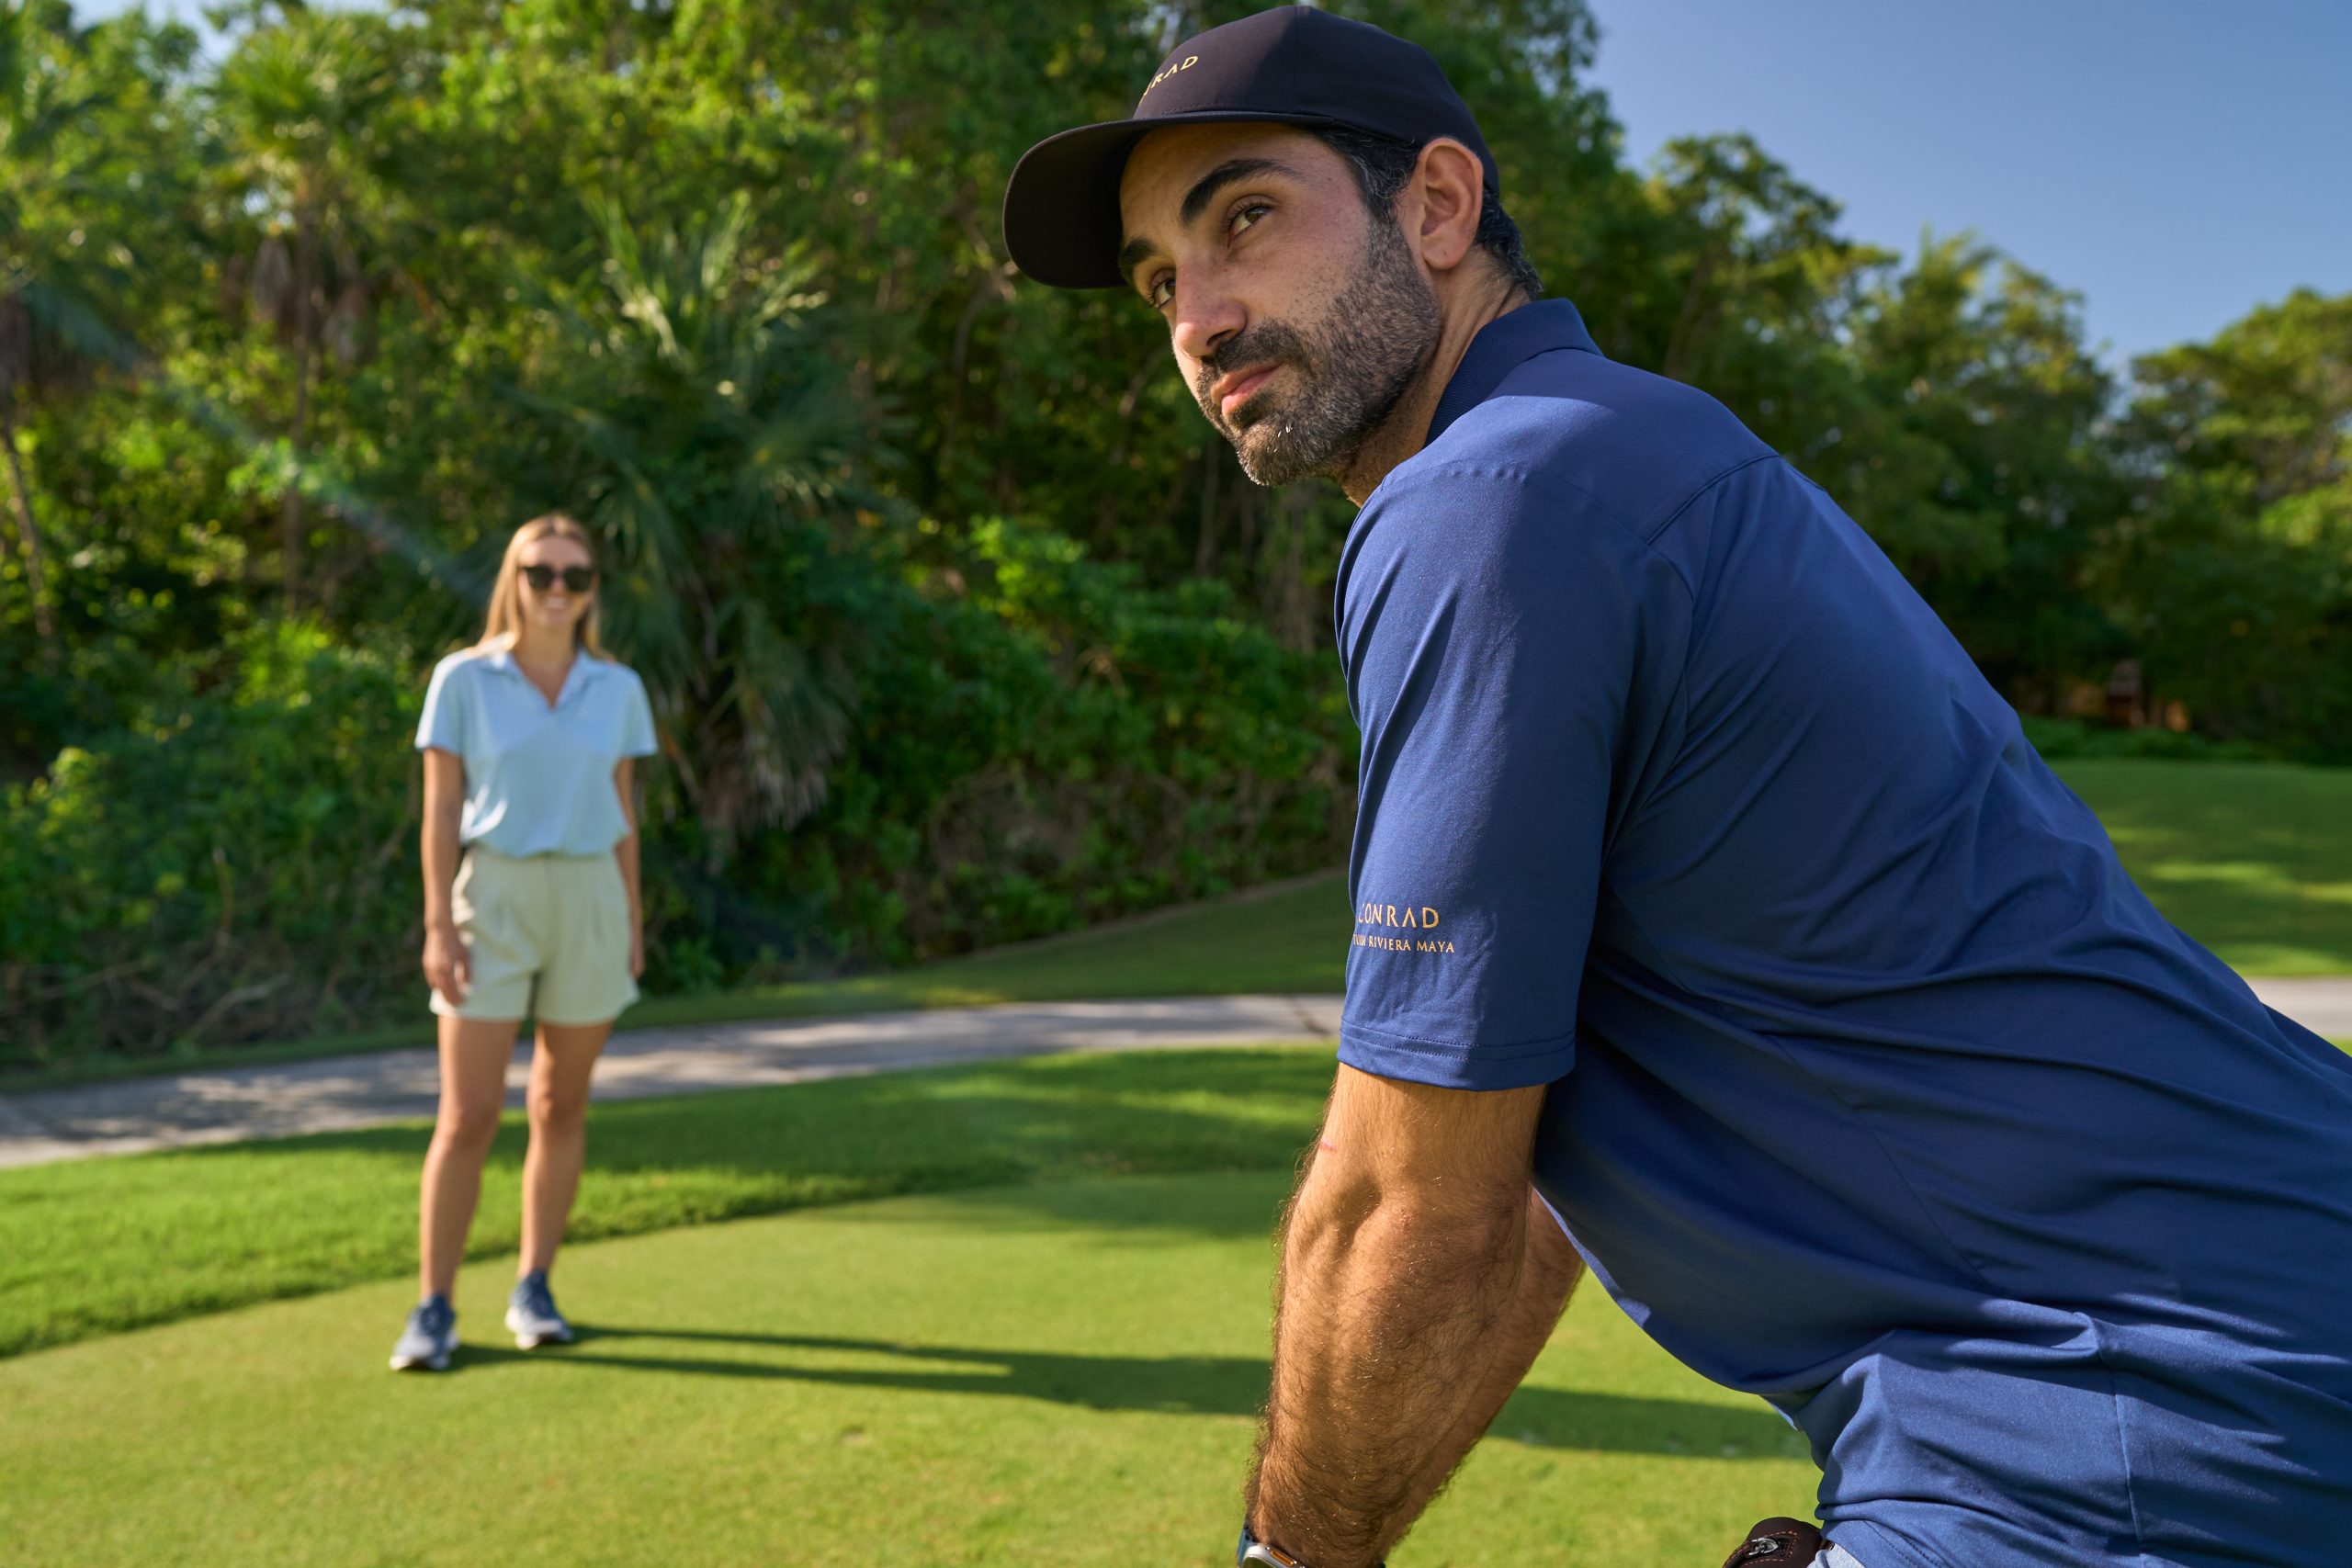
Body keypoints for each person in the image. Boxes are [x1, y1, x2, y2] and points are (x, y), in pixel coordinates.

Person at [1001, 9, 2352, 1566]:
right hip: (2218, 1348)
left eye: (1246, 218)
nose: (1201, 314)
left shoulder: (1489, 498)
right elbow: (1518, 1205)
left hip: (2144, 1416)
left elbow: (1405, 1203)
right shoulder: (1614, 448)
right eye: (1161, 277)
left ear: (1435, 209)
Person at [390, 513, 659, 1371]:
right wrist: (438, 923)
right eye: (540, 572)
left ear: (591, 592)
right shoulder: (463, 680)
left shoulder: (617, 688)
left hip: (588, 899)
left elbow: (624, 813)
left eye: (574, 577)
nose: (556, 590)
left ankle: (534, 1285)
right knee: (467, 1115)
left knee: (559, 1106)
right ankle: (434, 1307)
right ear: (513, 577)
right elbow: (438, 811)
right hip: (492, 896)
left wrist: (632, 918)